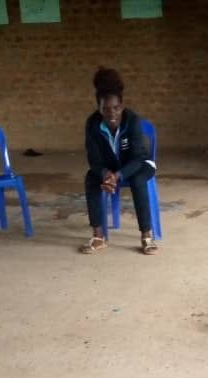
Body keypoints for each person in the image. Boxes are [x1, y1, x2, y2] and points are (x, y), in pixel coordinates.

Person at [80, 67, 159, 255]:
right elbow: (93, 158)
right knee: (91, 178)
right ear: (99, 109)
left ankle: (146, 236)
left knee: (138, 180)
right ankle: (98, 237)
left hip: (139, 165)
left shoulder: (132, 121)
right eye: (106, 109)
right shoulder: (92, 123)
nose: (112, 114)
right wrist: (105, 174)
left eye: (116, 108)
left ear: (122, 106)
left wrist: (117, 176)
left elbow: (138, 158)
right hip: (111, 168)